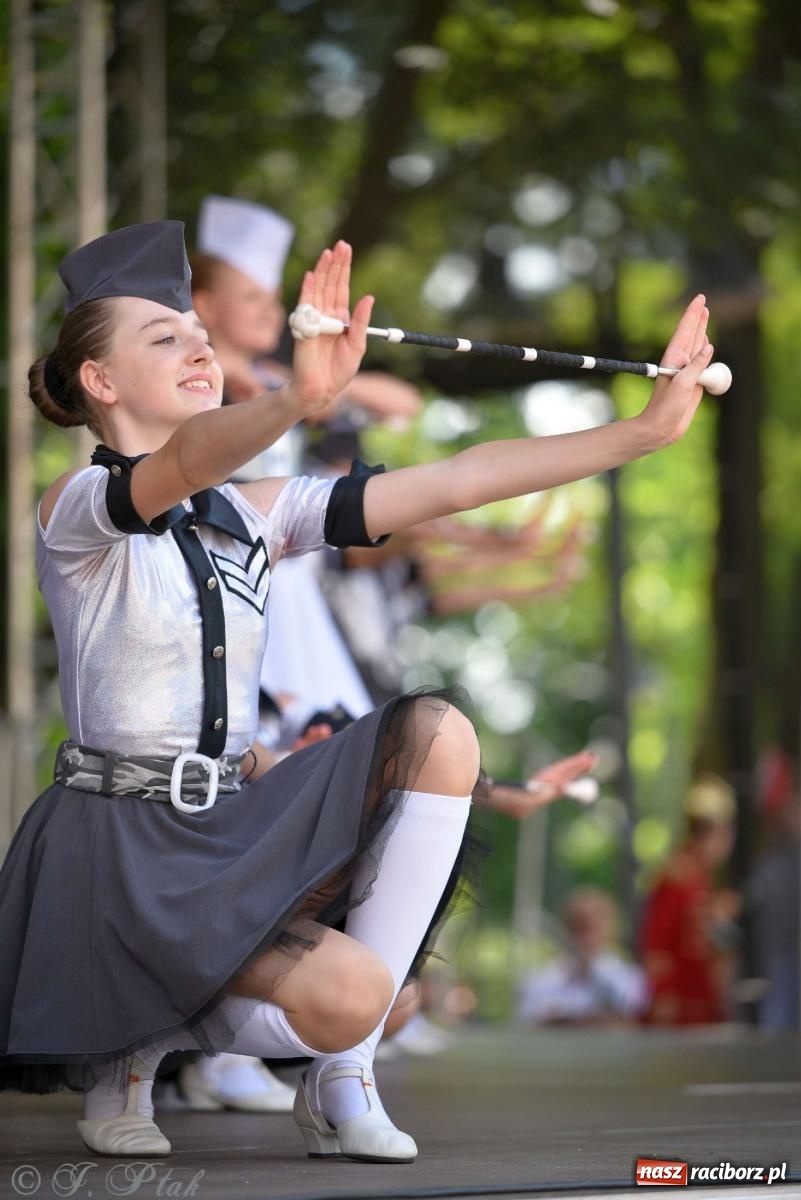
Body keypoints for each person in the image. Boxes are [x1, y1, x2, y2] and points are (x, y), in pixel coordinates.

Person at [0, 220, 714, 1163]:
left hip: (223, 830)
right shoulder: (77, 510)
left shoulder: (253, 514)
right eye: (166, 336)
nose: (200, 348)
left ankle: (345, 1073)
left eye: (200, 334)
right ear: (99, 380)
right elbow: (178, 465)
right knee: (345, 986)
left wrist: (641, 433)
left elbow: (455, 481)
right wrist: (298, 396)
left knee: (432, 748)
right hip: (121, 852)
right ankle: (125, 1046)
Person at [639, 774, 737, 1025]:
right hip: (679, 1004)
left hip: (699, 999)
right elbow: (657, 941)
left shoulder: (700, 876)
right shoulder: (678, 875)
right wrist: (662, 993)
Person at [518, 887, 647, 1026]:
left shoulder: (632, 977)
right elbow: (532, 1020)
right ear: (566, 926)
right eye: (579, 922)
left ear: (612, 925)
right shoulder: (541, 978)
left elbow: (630, 1018)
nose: (588, 927)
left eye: (597, 920)